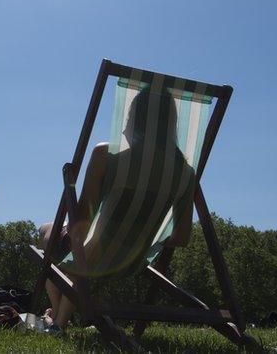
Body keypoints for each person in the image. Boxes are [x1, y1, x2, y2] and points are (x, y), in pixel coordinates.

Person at [38, 87, 194, 331]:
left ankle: (57, 320)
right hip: (136, 258)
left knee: (47, 231)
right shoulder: (185, 172)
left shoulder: (105, 154)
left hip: (95, 251)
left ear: (135, 121)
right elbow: (181, 237)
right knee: (83, 250)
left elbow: (82, 222)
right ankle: (57, 318)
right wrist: (142, 238)